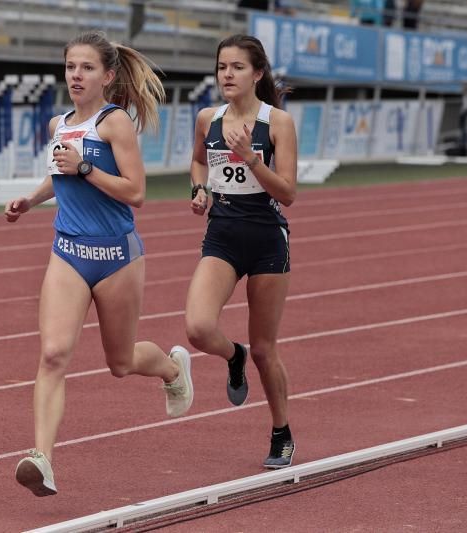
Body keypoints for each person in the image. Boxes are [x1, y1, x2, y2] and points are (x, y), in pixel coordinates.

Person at [5, 30, 194, 497]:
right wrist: (31, 199)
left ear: (107, 76)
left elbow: (136, 193)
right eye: (71, 66)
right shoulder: (58, 125)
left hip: (115, 257)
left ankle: (172, 370)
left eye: (86, 67)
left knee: (121, 361)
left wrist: (86, 169)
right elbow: (59, 175)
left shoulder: (115, 124)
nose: (76, 75)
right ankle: (42, 458)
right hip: (68, 251)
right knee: (52, 354)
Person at [186, 34, 298, 469]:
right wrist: (199, 190)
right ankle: (234, 356)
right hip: (223, 235)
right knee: (197, 328)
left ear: (257, 73)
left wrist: (251, 158)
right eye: (221, 67)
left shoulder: (277, 124)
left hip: (268, 240)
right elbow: (198, 162)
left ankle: (281, 431)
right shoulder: (207, 118)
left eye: (235, 67)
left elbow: (287, 193)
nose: (226, 75)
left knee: (266, 347)